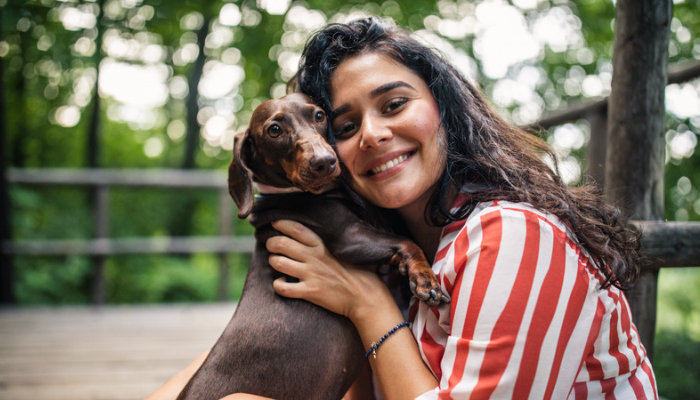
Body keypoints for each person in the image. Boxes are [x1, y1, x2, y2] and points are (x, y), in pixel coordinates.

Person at [149, 17, 658, 400]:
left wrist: (366, 305)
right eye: (345, 127)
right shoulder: (393, 246)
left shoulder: (516, 237)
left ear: (445, 107)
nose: (371, 134)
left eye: (394, 104)